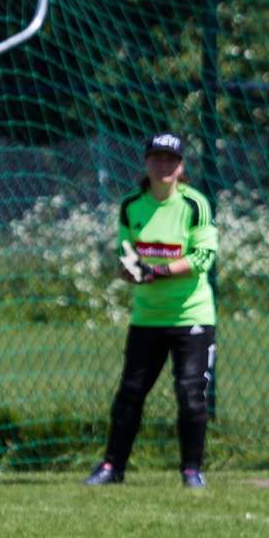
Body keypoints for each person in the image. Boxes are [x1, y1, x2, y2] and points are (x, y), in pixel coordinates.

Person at [83, 132, 219, 489]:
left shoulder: (195, 204)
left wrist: (156, 272)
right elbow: (126, 255)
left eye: (170, 159)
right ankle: (112, 467)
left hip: (191, 316)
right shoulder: (131, 204)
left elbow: (204, 257)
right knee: (131, 392)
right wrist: (128, 271)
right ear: (146, 162)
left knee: (191, 394)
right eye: (157, 158)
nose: (163, 165)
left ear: (181, 166)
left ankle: (192, 471)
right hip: (148, 317)